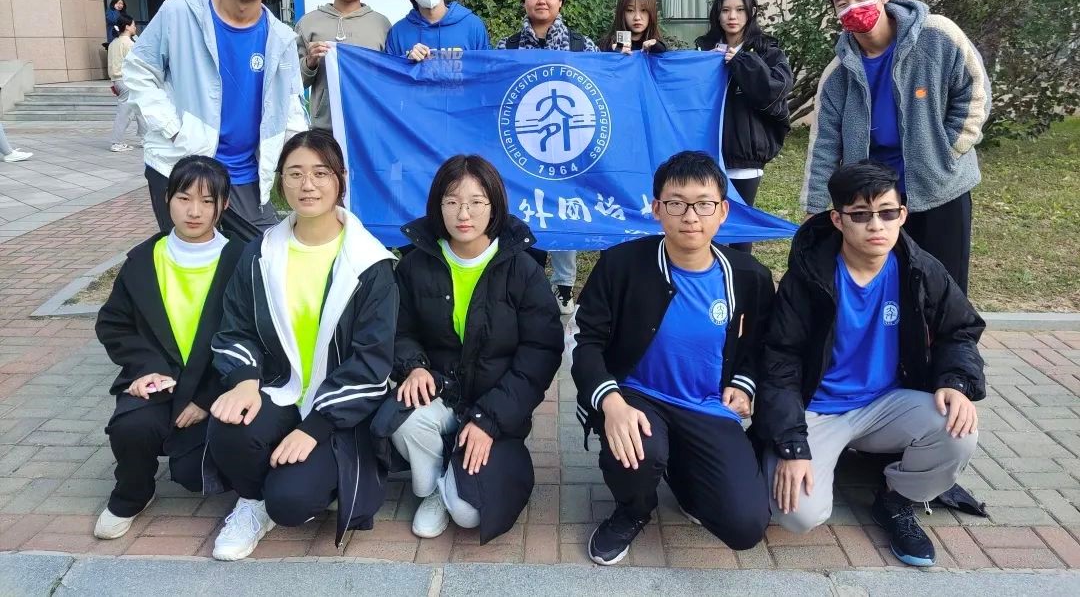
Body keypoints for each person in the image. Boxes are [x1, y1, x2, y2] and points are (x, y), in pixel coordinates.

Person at [757, 160, 984, 567]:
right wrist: (791, 445)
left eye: (887, 212)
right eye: (860, 215)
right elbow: (780, 361)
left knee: (957, 430)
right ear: (838, 219)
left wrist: (956, 381)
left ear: (903, 215)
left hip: (886, 404)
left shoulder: (919, 269)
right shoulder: (810, 277)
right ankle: (788, 456)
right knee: (797, 516)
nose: (876, 225)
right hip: (817, 410)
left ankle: (897, 499)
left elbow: (960, 328)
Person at [571, 151, 774, 565]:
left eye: (704, 204)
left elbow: (762, 346)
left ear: (723, 211)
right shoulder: (621, 265)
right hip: (637, 397)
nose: (691, 217)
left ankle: (683, 475)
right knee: (640, 452)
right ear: (657, 209)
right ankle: (632, 510)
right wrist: (611, 402)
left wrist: (744, 385)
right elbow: (585, 341)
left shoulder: (749, 276)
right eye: (677, 204)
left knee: (745, 525)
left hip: (707, 405)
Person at [205, 129, 398, 561]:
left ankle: (294, 487)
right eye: (295, 173)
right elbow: (235, 327)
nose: (307, 184)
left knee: (291, 502)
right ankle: (251, 502)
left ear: (340, 179)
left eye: (320, 173)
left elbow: (372, 362)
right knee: (228, 425)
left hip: (341, 411)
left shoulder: (369, 263)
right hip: (279, 389)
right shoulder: (260, 254)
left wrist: (314, 427)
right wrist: (244, 380)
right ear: (280, 181)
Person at [372, 154, 562, 542]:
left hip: (496, 408)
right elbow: (397, 330)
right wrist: (413, 366)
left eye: (476, 202)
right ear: (437, 205)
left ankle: (460, 483)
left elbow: (540, 354)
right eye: (452, 201)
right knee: (403, 418)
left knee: (469, 513)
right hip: (441, 396)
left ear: (494, 206)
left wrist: (489, 419)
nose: (464, 213)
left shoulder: (522, 270)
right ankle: (433, 487)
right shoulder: (415, 265)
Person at [802, 0, 991, 292]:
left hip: (940, 188)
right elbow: (824, 144)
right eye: (843, 4)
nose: (854, 8)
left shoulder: (938, 36)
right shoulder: (836, 75)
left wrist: (946, 152)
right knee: (889, 288)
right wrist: (815, 208)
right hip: (876, 202)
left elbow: (975, 92)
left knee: (945, 287)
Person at [92, 156, 244, 540]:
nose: (194, 212)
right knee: (131, 426)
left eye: (207, 201)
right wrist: (145, 368)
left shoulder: (242, 259)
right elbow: (113, 323)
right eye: (184, 198)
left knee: (194, 473)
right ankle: (132, 494)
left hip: (218, 385)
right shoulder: (144, 259)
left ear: (224, 204)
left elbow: (255, 335)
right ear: (166, 199)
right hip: (161, 381)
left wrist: (207, 398)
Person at [124, 0, 308, 240]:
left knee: (259, 255)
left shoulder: (281, 37)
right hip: (182, 165)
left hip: (247, 176)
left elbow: (290, 108)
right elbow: (138, 71)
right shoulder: (180, 13)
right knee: (191, 258)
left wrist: (303, 163)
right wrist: (173, 128)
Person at [497, 0, 600, 314]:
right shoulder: (507, 47)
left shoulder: (581, 45)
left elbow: (599, 89)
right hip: (523, 149)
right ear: (524, 2)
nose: (541, 0)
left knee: (565, 213)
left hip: (571, 148)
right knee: (527, 211)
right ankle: (526, 284)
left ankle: (564, 287)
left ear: (561, 2)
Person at [696, 0, 792, 252]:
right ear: (717, 14)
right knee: (707, 228)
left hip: (745, 155)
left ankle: (742, 278)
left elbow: (775, 89)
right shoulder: (703, 49)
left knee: (739, 230)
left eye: (739, 10)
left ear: (751, 13)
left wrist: (739, 62)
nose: (732, 16)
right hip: (707, 154)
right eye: (725, 10)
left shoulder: (767, 51)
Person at [295, 0, 391, 131]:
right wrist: (310, 62)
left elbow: (389, 78)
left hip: (370, 126)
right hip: (325, 127)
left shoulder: (382, 24)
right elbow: (295, 82)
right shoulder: (308, 23)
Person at [107, 13, 147, 153]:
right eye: (133, 25)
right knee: (125, 113)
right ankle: (116, 142)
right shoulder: (129, 44)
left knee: (140, 110)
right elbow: (137, 63)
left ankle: (146, 139)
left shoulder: (113, 43)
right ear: (127, 27)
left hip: (118, 81)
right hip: (127, 81)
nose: (135, 27)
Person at [599, 0, 667, 54]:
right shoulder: (604, 47)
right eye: (630, 10)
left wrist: (658, 48)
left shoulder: (657, 47)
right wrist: (613, 53)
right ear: (621, 13)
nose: (637, 17)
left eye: (643, 10)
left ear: (652, 12)